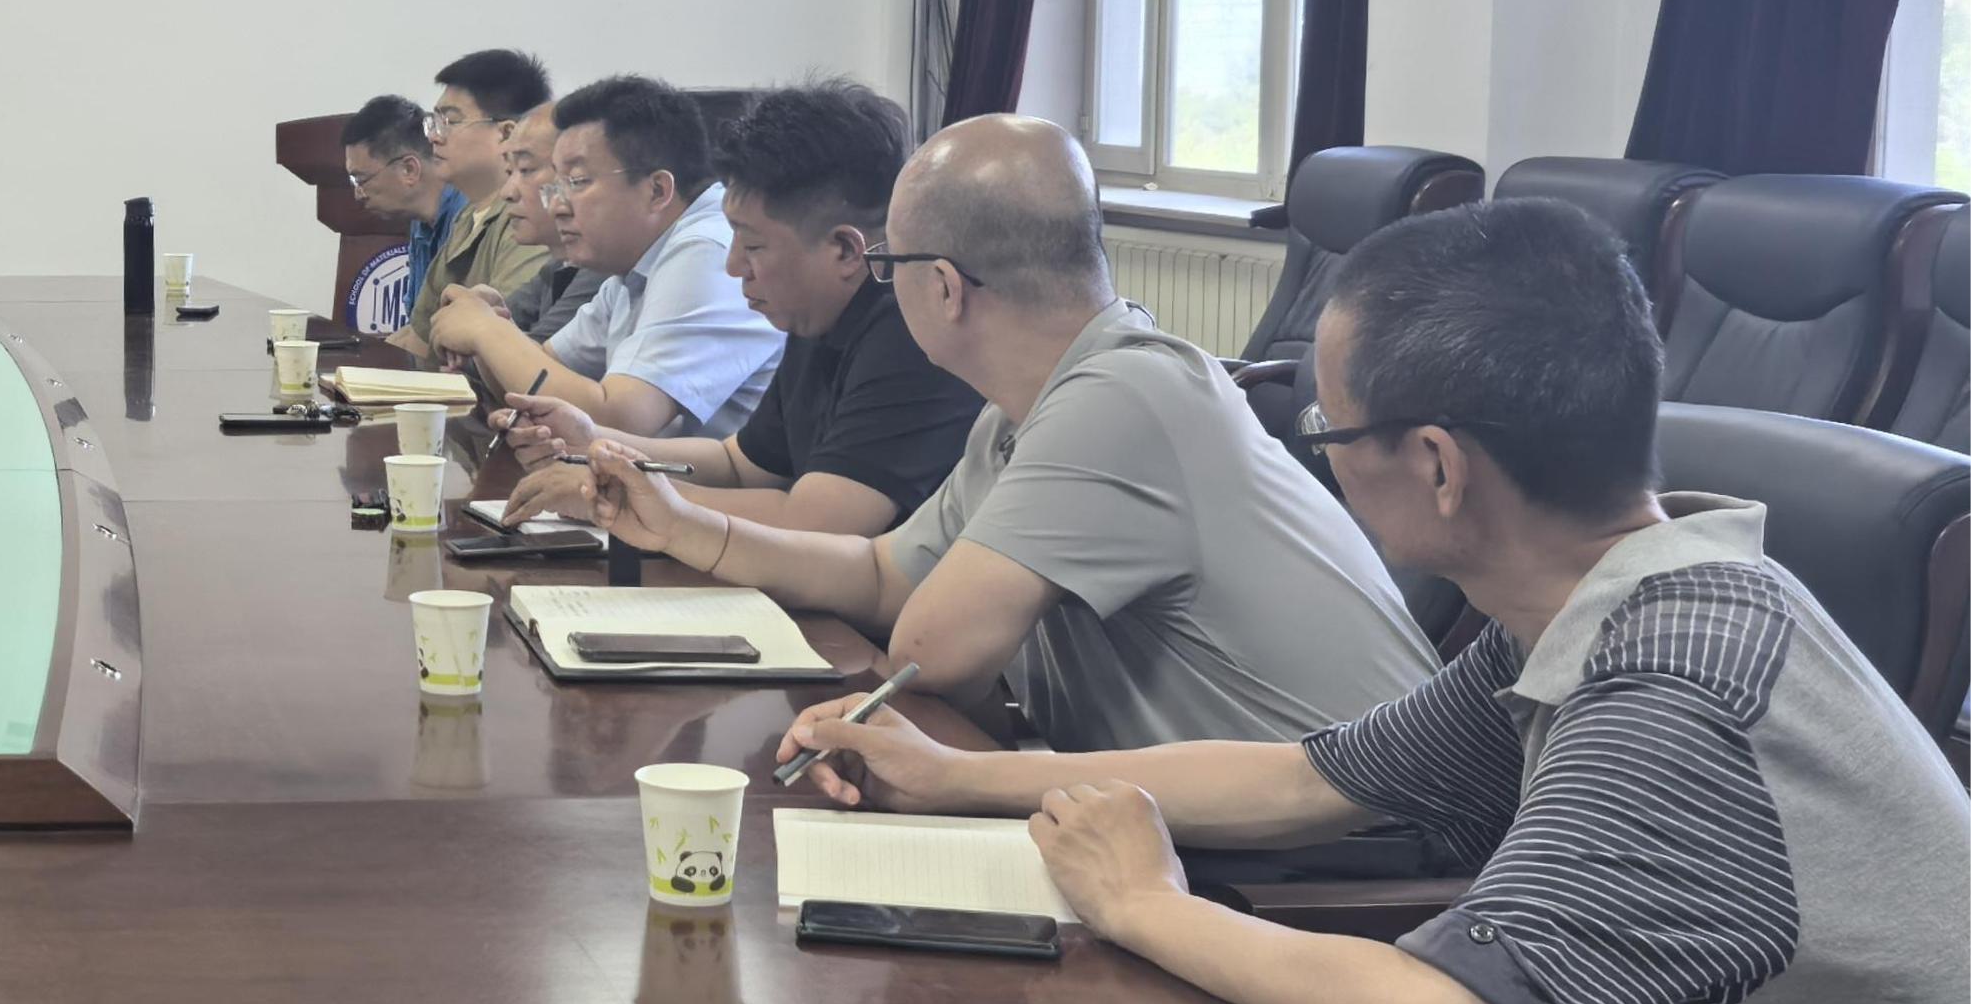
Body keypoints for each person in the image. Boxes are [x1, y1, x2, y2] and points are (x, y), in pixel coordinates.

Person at [778, 199, 1969, 1004]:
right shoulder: (1634, 602)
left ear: (1438, 465)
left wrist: (1145, 903)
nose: (1325, 463)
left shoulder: (1670, 698)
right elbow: (1310, 775)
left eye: (1332, 435)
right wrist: (953, 777)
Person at [579, 113, 1431, 752]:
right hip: (1202, 826)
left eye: (888, 268)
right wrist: (685, 527)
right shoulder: (1028, 408)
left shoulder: (1123, 397)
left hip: (1334, 854)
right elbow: (882, 574)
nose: (882, 289)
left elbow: (929, 649)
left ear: (943, 287)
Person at [496, 77, 979, 539]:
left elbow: (817, 520)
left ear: (845, 250)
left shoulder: (911, 330)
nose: (733, 267)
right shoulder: (818, 317)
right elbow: (739, 465)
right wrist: (591, 441)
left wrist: (621, 493)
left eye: (753, 246)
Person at [422, 74, 782, 440]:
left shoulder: (707, 252)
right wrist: (491, 334)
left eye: (577, 182)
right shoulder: (632, 265)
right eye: (556, 185)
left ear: (657, 190)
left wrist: (488, 331)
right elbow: (536, 385)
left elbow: (619, 419)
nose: (557, 206)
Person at [388, 49, 554, 357]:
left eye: (450, 121)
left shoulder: (530, 220)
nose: (434, 137)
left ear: (507, 134)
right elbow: (420, 337)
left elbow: (493, 341)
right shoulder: (467, 217)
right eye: (434, 122)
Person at [494, 100, 603, 342]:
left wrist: (477, 328)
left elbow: (531, 359)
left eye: (525, 170)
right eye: (509, 172)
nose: (507, 192)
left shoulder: (603, 270)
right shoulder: (557, 265)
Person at [335, 95, 447, 319]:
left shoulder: (471, 221)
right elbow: (419, 327)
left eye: (361, 179)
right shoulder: (421, 224)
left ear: (409, 170)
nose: (358, 194)